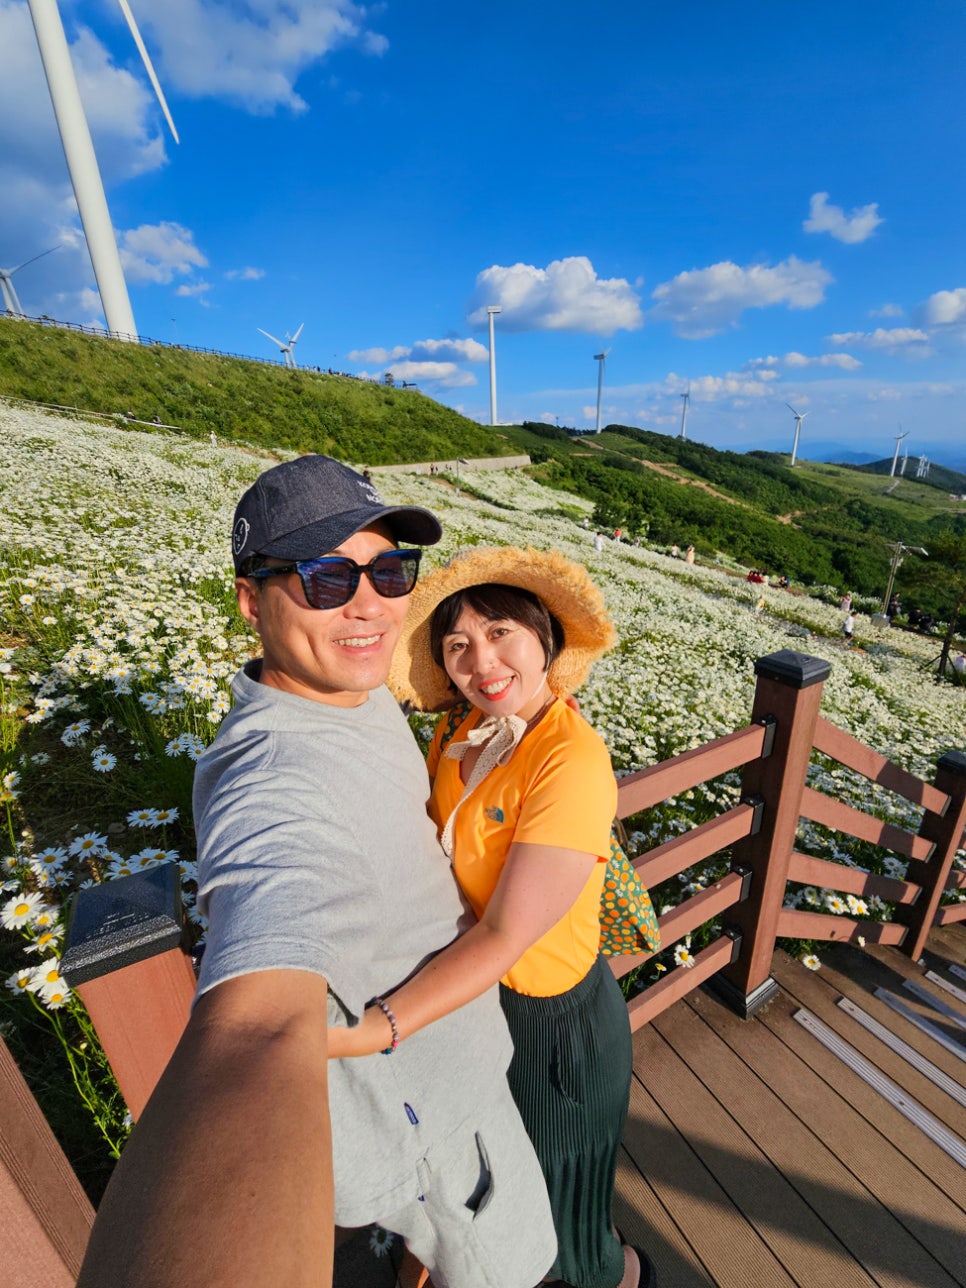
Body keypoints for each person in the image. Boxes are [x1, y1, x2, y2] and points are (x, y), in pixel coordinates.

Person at [77, 457, 556, 1288]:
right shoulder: (273, 781)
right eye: (324, 577)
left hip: (454, 1083)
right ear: (250, 599)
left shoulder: (348, 684)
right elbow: (255, 1027)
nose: (369, 602)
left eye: (390, 568)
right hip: (435, 1133)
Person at [331, 547, 656, 1288]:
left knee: (563, 1209)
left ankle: (626, 1276)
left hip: (554, 1021)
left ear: (545, 638)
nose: (483, 661)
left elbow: (510, 933)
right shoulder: (457, 733)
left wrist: (374, 1028)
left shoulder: (569, 761)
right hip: (482, 998)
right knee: (512, 1188)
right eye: (458, 646)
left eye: (501, 631)